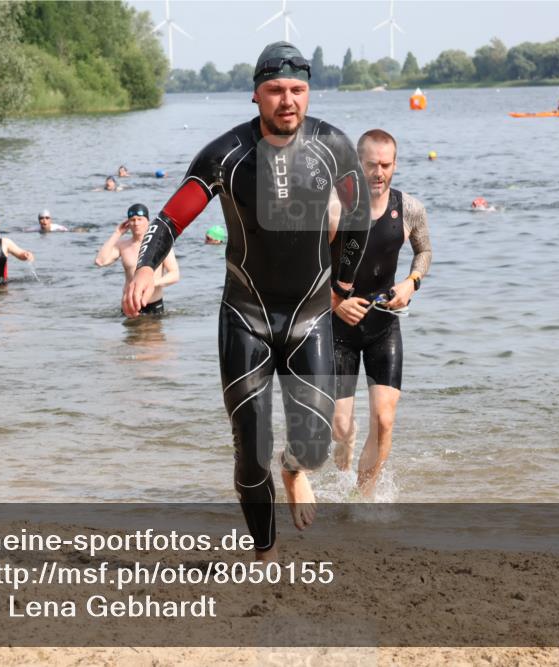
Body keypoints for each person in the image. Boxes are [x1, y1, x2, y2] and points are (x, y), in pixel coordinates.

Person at [122, 41, 371, 561]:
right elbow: (172, 217)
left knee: (316, 444)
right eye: (275, 90)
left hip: (309, 317)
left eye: (297, 90)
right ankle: (264, 550)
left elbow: (357, 219)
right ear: (255, 95)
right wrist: (146, 266)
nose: (287, 100)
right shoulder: (226, 155)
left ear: (308, 93)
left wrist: (342, 286)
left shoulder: (335, 148)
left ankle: (296, 468)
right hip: (246, 315)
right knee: (249, 452)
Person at [330, 129, 432, 498]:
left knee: (385, 419)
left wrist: (411, 283)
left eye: (386, 165)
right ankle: (343, 459)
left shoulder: (409, 208)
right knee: (341, 428)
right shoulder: (334, 207)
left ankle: (363, 499)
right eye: (371, 165)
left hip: (383, 324)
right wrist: (335, 302)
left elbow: (424, 252)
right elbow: (304, 267)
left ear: (395, 165)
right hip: (337, 326)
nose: (378, 173)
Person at [96, 203, 179, 315]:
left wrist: (151, 283)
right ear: (128, 223)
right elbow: (100, 261)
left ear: (148, 221)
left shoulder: (160, 244)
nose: (136, 223)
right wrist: (117, 233)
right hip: (129, 307)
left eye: (140, 219)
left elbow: (174, 275)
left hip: (153, 305)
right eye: (132, 220)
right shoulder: (122, 246)